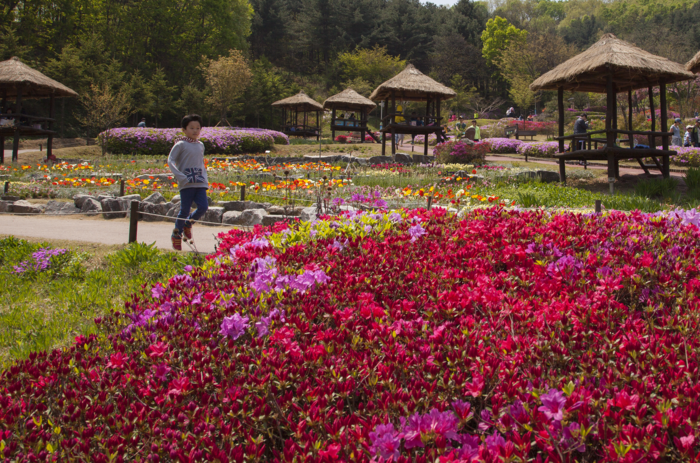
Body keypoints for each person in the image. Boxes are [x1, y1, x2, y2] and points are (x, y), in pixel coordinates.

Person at [167, 114, 209, 251]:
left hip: (200, 182)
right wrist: (180, 176)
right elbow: (170, 160)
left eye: (198, 128)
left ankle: (188, 223)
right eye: (191, 128)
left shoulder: (201, 145)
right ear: (184, 129)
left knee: (203, 207)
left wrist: (205, 178)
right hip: (186, 183)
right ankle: (177, 234)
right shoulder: (180, 144)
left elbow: (201, 163)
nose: (195, 131)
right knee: (184, 210)